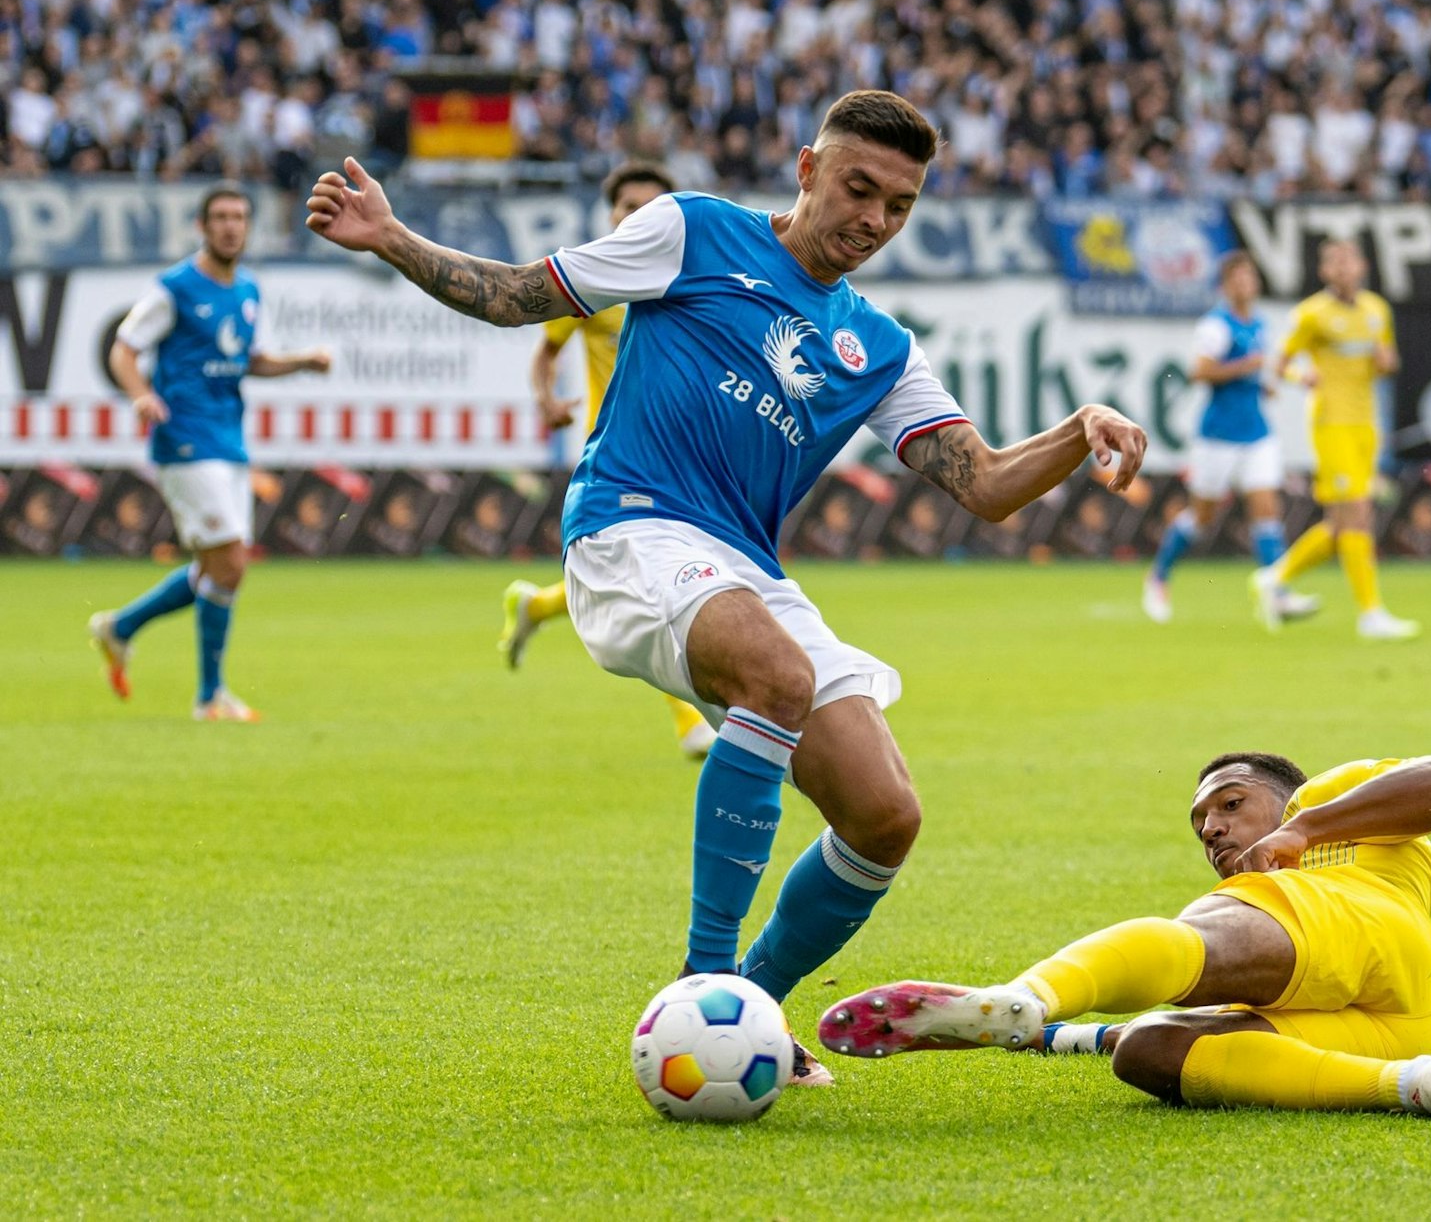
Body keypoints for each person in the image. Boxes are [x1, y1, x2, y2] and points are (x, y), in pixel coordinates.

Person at [305, 90, 1148, 1083]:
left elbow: (989, 485)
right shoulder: (691, 231)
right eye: (857, 188)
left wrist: (1076, 425)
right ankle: (698, 984)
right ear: (806, 170)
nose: (872, 220)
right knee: (776, 676)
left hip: (741, 566)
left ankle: (742, 1007)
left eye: (899, 206)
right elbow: (515, 295)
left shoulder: (876, 347)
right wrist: (393, 236)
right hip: (625, 526)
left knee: (884, 813)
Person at [818, 752, 1431, 1123]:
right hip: (1410, 1026)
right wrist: (1057, 1040)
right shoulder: (1268, 896)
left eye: (1232, 803)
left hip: (1363, 923)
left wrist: (1302, 827)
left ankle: (1025, 994)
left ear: (1285, 793)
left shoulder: (1325, 801)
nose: (1212, 826)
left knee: (1195, 944)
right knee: (1152, 1047)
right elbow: (1133, 1034)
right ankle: (1428, 1085)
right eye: (1201, 822)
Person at [495, 160, 714, 757]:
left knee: (641, 575)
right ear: (610, 214)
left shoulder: (692, 281)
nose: (637, 216)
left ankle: (534, 605)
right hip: (616, 455)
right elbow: (544, 352)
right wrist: (545, 400)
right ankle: (691, 722)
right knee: (655, 579)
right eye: (627, 206)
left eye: (652, 206)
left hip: (683, 455)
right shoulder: (595, 282)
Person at [90, 185, 331, 720]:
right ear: (203, 226)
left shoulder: (248, 290)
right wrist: (140, 396)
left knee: (220, 569)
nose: (230, 226)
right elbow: (124, 348)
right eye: (220, 217)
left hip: (229, 439)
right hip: (184, 437)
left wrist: (301, 363)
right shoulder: (174, 287)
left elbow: (254, 360)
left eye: (239, 218)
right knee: (230, 563)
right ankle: (209, 697)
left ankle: (119, 628)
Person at [1254, 240, 1420, 641]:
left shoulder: (1376, 310)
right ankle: (1370, 613)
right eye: (1336, 263)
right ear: (1325, 272)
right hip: (1332, 423)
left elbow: (1388, 361)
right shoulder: (1311, 314)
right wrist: (1301, 377)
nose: (1345, 269)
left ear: (1362, 266)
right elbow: (1279, 363)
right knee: (1359, 514)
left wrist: (1386, 363)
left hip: (1366, 425)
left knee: (1340, 526)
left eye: (1350, 261)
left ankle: (1273, 577)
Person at [1142, 251, 1316, 626]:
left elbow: (1258, 370)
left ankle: (1277, 591)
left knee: (1266, 507)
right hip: (1218, 436)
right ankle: (1158, 576)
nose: (1245, 283)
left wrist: (1263, 385)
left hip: (1256, 433)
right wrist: (1243, 368)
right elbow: (1199, 371)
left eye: (1250, 276)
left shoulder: (1258, 323)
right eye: (1237, 278)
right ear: (1225, 286)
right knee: (1202, 517)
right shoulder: (1215, 326)